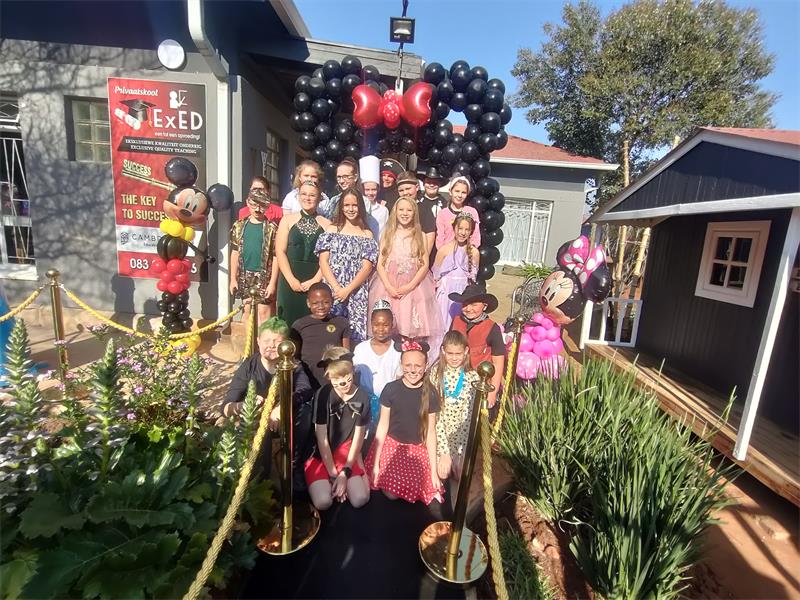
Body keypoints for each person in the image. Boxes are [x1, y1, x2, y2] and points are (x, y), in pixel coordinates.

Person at [222, 318, 314, 484]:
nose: (271, 345)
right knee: (260, 431)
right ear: (258, 341)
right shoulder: (249, 366)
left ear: (286, 345)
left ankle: (294, 464)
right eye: (266, 341)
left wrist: (282, 405)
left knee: (306, 412)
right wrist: (244, 405)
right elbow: (226, 406)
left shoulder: (293, 365)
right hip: (257, 419)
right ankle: (262, 479)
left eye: (277, 341)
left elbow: (305, 390)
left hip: (283, 419)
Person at [366, 339, 443, 504]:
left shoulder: (431, 393)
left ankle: (413, 485)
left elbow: (430, 432)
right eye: (408, 365)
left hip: (416, 448)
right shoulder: (391, 389)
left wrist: (433, 471)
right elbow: (383, 426)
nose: (413, 370)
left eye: (417, 366)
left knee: (424, 484)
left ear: (426, 365)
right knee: (391, 493)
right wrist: (376, 462)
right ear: (401, 364)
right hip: (393, 445)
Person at [369, 196, 443, 345]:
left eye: (409, 210)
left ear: (414, 213)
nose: (405, 213)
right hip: (388, 286)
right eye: (401, 209)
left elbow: (424, 264)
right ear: (395, 212)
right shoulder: (388, 234)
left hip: (412, 287)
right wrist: (389, 286)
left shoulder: (420, 235)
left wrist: (410, 286)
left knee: (409, 324)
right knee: (388, 323)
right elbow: (380, 263)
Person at [305, 347, 371, 510]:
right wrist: (335, 476)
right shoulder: (322, 395)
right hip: (322, 454)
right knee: (323, 502)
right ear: (328, 376)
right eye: (337, 378)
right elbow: (322, 439)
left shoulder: (362, 396)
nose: (343, 383)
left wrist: (346, 472)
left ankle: (358, 476)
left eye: (347, 377)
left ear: (352, 372)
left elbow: (358, 437)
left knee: (360, 499)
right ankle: (324, 481)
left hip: (346, 451)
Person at [316, 187, 378, 344]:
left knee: (353, 336)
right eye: (347, 205)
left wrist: (348, 290)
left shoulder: (366, 234)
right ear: (341, 207)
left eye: (354, 205)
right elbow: (323, 261)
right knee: (331, 333)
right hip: (332, 289)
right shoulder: (332, 230)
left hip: (356, 292)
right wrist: (337, 288)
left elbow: (367, 267)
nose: (351, 209)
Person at [275, 180, 330, 327]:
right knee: (287, 322)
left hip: (315, 279)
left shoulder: (327, 224)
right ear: (298, 196)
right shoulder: (287, 220)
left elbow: (328, 258)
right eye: (304, 194)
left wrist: (315, 280)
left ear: (319, 198)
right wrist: (291, 279)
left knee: (312, 323)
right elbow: (280, 251)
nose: (308, 198)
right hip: (289, 277)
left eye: (312, 195)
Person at [430, 331, 480, 482]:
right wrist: (444, 452)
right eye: (450, 353)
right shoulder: (435, 374)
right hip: (441, 436)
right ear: (443, 351)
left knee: (461, 476)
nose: (453, 358)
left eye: (458, 353)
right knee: (442, 473)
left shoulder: (473, 377)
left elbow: (470, 418)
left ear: (466, 351)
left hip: (461, 439)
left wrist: (461, 451)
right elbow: (435, 417)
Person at [448, 284, 505, 408]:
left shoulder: (492, 328)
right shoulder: (456, 321)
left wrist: (492, 392)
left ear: (484, 306)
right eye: (465, 304)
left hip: (480, 384)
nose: (468, 309)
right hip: (454, 381)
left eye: (474, 305)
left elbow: (498, 362)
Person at [229, 188, 279, 327]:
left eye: (262, 205)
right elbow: (235, 252)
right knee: (247, 312)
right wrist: (233, 278)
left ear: (267, 206)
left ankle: (262, 347)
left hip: (265, 277)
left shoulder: (272, 229)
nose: (257, 209)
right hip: (245, 276)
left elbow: (276, 257)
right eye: (254, 204)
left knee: (264, 314)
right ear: (247, 203)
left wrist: (272, 283)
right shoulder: (238, 226)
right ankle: (247, 347)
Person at [352, 300, 401, 434]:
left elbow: (399, 378)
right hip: (364, 404)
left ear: (392, 325)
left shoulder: (397, 350)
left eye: (385, 325)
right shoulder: (361, 349)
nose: (380, 329)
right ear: (370, 324)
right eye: (376, 324)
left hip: (388, 405)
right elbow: (354, 377)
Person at [291, 282, 352, 389]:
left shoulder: (341, 323)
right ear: (308, 303)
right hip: (308, 380)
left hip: (334, 380)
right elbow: (295, 357)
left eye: (326, 302)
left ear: (332, 301)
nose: (321, 307)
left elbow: (346, 354)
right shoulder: (299, 325)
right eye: (315, 303)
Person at [432, 213, 479, 327]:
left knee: (458, 325)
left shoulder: (474, 253)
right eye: (460, 228)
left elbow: (473, 278)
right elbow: (435, 276)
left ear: (471, 232)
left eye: (467, 229)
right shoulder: (443, 250)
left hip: (462, 293)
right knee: (442, 323)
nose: (463, 233)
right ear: (454, 228)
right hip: (445, 293)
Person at [395, 171, 435, 255]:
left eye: (408, 189)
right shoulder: (396, 208)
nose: (405, 193)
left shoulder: (425, 209)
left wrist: (424, 258)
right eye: (401, 190)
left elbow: (430, 235)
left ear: (416, 187)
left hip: (418, 253)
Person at [435, 176, 480, 249]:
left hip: (466, 254)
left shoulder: (472, 212)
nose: (459, 195)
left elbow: (476, 236)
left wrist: (471, 250)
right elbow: (440, 238)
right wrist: (443, 253)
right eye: (457, 191)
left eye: (463, 192)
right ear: (450, 191)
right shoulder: (443, 214)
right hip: (447, 253)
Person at [359, 155, 389, 241]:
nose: (370, 193)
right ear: (362, 190)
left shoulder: (383, 210)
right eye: (367, 190)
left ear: (378, 189)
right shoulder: (358, 207)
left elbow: (384, 234)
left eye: (373, 190)